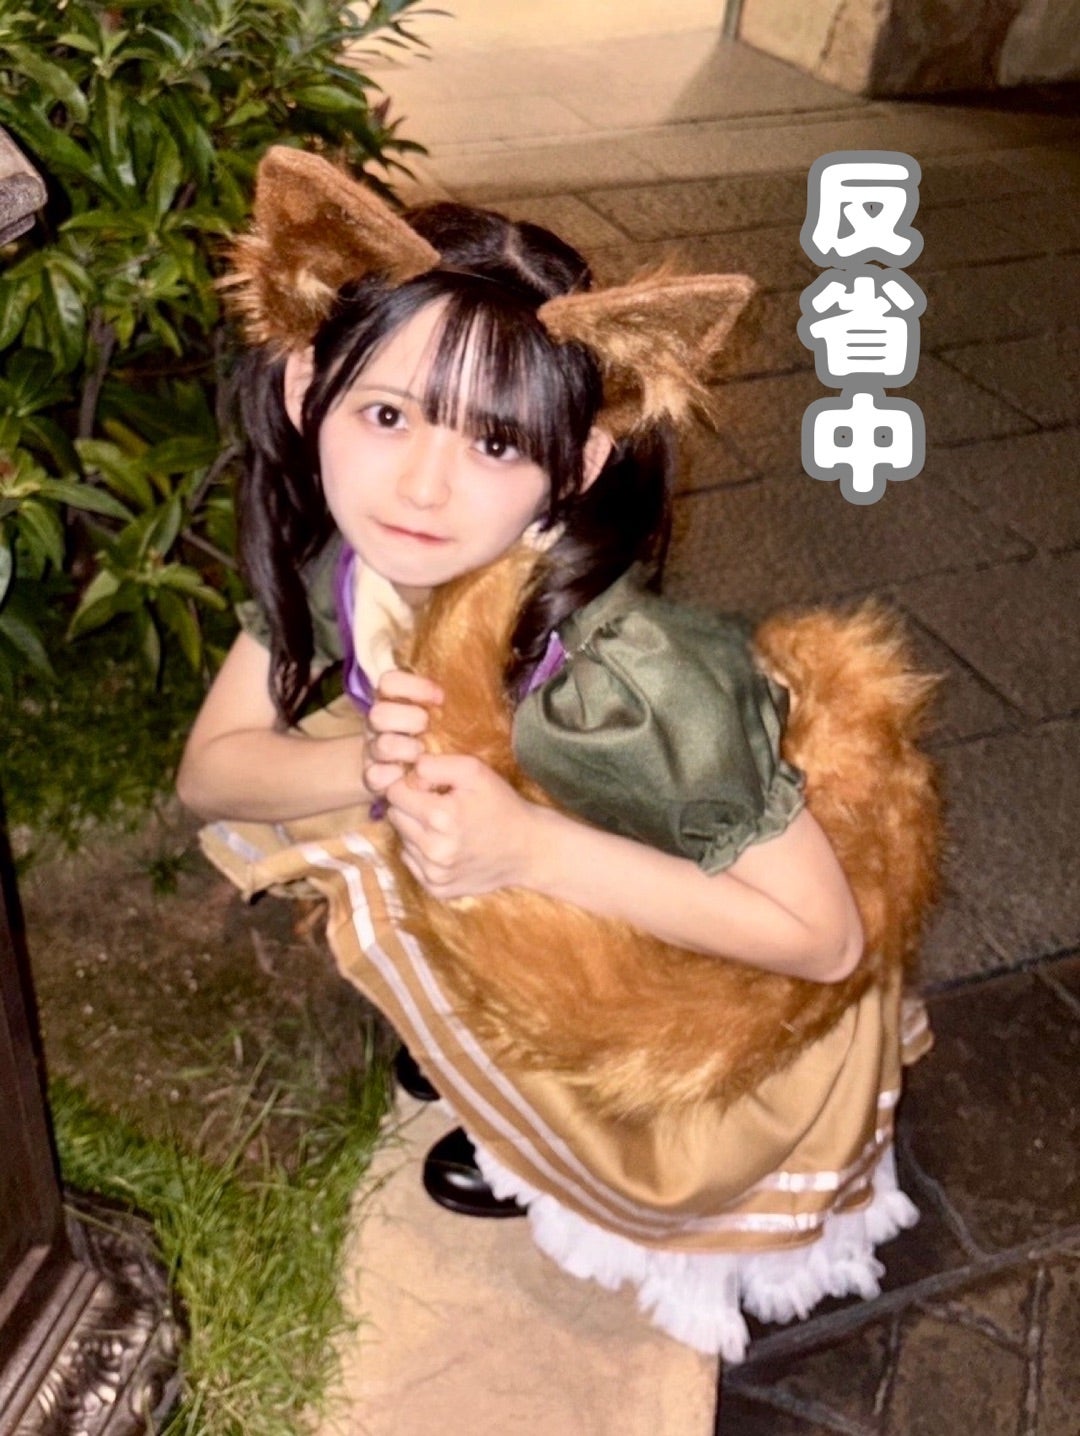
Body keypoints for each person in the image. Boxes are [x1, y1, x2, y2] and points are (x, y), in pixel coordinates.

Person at [178, 147, 939, 1362]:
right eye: (387, 414)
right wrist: (380, 765)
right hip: (541, 848)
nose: (423, 484)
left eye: (495, 444)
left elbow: (824, 939)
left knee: (433, 848)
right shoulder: (358, 559)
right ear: (309, 385)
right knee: (344, 795)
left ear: (575, 464)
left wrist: (525, 845)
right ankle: (487, 1042)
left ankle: (562, 1133)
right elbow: (213, 770)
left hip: (694, 946)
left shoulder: (635, 680)